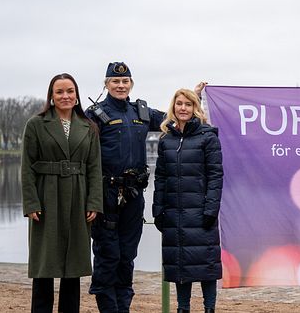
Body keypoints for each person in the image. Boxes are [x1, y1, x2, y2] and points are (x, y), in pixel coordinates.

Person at [85, 61, 205, 312]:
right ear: (106, 84)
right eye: (115, 81)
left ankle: (123, 308)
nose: (120, 85)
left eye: (125, 81)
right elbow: (84, 157)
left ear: (131, 84)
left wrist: (196, 97)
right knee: (108, 256)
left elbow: (176, 119)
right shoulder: (94, 115)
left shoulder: (141, 112)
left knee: (127, 256)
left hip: (133, 196)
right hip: (105, 195)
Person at [21, 73, 103, 313]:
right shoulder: (36, 124)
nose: (65, 96)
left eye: (70, 91)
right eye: (60, 92)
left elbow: (94, 168)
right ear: (52, 96)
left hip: (78, 198)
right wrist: (31, 203)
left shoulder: (88, 127)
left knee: (73, 266)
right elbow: (27, 168)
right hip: (46, 197)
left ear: (76, 96)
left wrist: (94, 202)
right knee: (44, 265)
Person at [153, 89, 223, 313]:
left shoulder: (208, 137)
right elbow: (161, 177)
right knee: (180, 266)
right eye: (179, 104)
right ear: (173, 107)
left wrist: (211, 209)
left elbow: (215, 176)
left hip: (201, 213)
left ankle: (209, 308)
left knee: (206, 265)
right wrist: (158, 209)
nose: (183, 108)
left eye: (188, 104)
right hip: (174, 213)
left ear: (196, 108)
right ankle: (183, 309)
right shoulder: (166, 140)